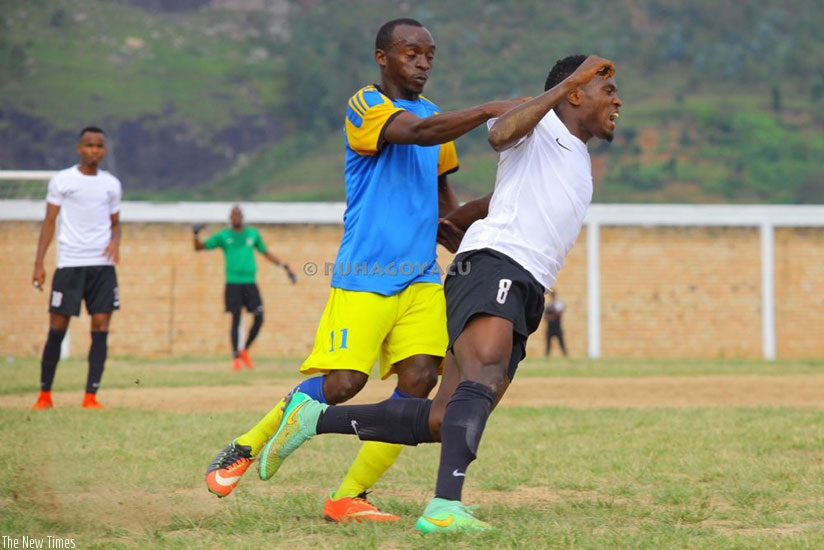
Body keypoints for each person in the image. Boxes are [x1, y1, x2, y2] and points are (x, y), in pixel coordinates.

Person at [255, 54, 622, 533]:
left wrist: (457, 220)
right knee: (483, 371)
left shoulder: (577, 157)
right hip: (497, 263)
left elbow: (511, 196)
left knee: (444, 418)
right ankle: (443, 506)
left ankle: (311, 420)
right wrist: (566, 81)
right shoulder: (541, 124)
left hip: (528, 281)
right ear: (575, 94)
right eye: (607, 90)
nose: (617, 101)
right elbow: (497, 132)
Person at [204, 17, 525, 523]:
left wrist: (473, 238)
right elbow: (415, 133)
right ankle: (246, 445)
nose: (421, 64)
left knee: (420, 382)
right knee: (343, 384)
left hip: (420, 278)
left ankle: (349, 496)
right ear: (382, 57)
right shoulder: (366, 105)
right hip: (364, 274)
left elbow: (443, 200)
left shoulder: (438, 117)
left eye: (429, 56)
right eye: (410, 54)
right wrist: (489, 109)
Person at [30, 126, 123, 410]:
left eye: (99, 146)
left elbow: (116, 223)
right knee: (57, 328)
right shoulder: (62, 180)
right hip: (70, 263)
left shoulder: (111, 184)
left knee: (101, 326)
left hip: (102, 267)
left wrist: (115, 243)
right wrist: (39, 263)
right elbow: (49, 222)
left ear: (104, 150)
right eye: (89, 145)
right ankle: (45, 395)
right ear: (79, 149)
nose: (94, 150)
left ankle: (90, 396)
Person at [193, 205, 297, 370]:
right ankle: (235, 357)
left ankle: (245, 350)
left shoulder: (252, 234)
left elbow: (266, 253)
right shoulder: (223, 236)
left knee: (259, 316)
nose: (236, 217)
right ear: (230, 218)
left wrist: (285, 266)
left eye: (238, 214)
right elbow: (199, 248)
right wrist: (195, 234)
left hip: (250, 283)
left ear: (242, 217)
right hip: (233, 283)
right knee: (236, 319)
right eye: (233, 215)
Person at [544, 290, 567, 356]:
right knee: (548, 344)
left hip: (557, 327)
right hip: (550, 327)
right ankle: (547, 356)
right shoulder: (548, 305)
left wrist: (551, 316)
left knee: (562, 343)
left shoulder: (559, 304)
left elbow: (559, 314)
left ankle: (565, 355)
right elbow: (546, 317)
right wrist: (554, 316)